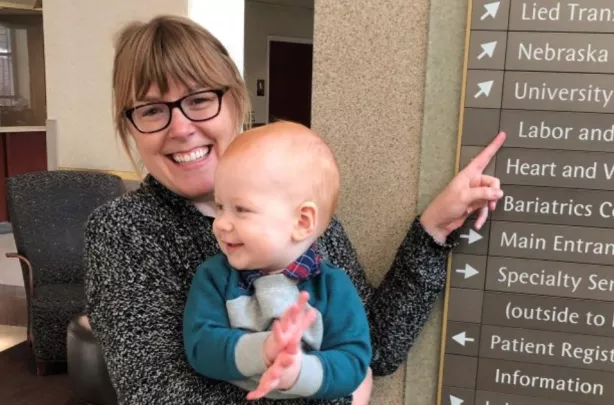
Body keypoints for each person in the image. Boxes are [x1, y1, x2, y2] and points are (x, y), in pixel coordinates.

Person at [83, 14, 505, 405]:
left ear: (234, 99)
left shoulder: (293, 202)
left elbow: (370, 346)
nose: (180, 127)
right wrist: (343, 396)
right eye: (152, 110)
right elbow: (159, 395)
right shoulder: (124, 230)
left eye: (198, 99)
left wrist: (432, 229)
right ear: (130, 127)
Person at [182, 122, 373, 403]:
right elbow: (201, 347)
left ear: (302, 222)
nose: (220, 224)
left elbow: (354, 362)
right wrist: (264, 350)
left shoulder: (332, 287)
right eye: (220, 206)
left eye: (241, 209)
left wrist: (296, 372)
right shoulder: (214, 277)